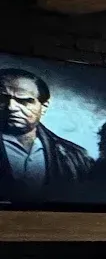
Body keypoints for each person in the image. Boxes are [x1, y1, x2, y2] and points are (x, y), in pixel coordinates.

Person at [0, 68, 92, 200]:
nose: (11, 107)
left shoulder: (75, 155)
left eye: (24, 100)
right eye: (2, 99)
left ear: (43, 107)